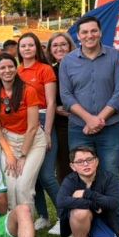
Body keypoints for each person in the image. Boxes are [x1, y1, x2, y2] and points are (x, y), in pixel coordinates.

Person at [58, 16, 119, 237]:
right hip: (79, 127)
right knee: (80, 174)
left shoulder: (116, 57)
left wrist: (100, 119)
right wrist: (88, 119)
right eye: (84, 32)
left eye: (93, 31)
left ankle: (116, 225)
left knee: (110, 174)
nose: (89, 36)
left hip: (110, 127)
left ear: (100, 32)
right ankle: (81, 224)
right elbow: (66, 96)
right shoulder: (68, 61)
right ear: (78, 36)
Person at [0, 53, 46, 213]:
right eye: (2, 67)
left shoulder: (28, 90)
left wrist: (22, 156)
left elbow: (33, 127)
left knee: (23, 188)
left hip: (32, 142)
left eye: (10, 66)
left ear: (16, 68)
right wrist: (9, 154)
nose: (7, 70)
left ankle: (26, 227)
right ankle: (13, 228)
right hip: (9, 142)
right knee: (10, 187)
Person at [16, 33, 59, 231]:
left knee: (47, 175)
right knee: (32, 175)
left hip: (42, 120)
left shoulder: (45, 69)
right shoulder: (16, 71)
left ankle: (65, 214)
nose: (27, 49)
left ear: (37, 48)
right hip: (24, 123)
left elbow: (51, 103)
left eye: (30, 45)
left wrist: (48, 131)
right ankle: (43, 215)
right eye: (23, 46)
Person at [57, 146, 119, 237]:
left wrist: (86, 194)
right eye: (79, 161)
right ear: (72, 166)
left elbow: (114, 202)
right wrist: (92, 205)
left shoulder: (109, 178)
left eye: (89, 160)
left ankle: (90, 235)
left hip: (103, 221)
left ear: (96, 161)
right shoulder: (70, 180)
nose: (85, 164)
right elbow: (61, 201)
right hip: (78, 218)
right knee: (81, 211)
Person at [46, 33, 74, 182]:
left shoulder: (80, 67)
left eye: (63, 44)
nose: (60, 48)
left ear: (70, 46)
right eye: (55, 45)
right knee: (64, 165)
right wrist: (55, 108)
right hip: (60, 125)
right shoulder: (49, 71)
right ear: (50, 50)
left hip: (81, 122)